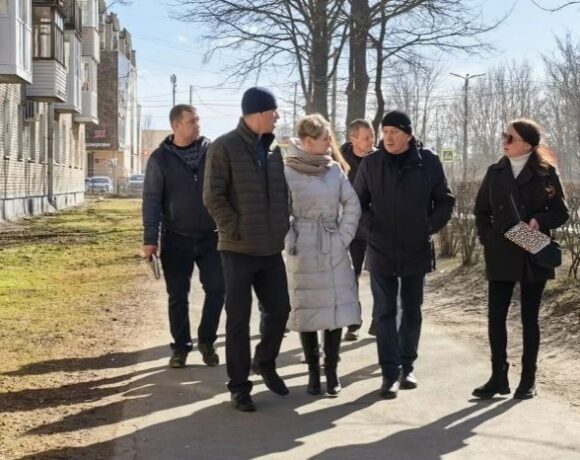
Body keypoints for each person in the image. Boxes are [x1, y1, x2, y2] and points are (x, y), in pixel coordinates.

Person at [354, 110, 455, 399]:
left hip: (415, 247)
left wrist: (427, 226)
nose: (388, 137)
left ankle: (407, 366)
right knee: (384, 312)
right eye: (385, 132)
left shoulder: (428, 161)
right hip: (381, 247)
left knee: (412, 310)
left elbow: (445, 200)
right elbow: (356, 203)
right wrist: (372, 228)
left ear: (408, 135)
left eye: (394, 132)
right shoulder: (371, 163)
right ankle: (389, 373)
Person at [203, 87, 291, 412]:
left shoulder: (274, 150)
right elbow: (213, 196)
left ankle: (264, 362)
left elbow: (282, 193)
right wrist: (234, 228)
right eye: (273, 112)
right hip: (238, 249)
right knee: (239, 320)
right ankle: (239, 387)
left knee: (280, 310)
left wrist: (283, 224)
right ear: (257, 114)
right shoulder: (223, 147)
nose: (277, 117)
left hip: (271, 249)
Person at [472, 119, 569, 400]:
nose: (504, 141)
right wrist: (488, 239)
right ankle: (498, 377)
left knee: (529, 317)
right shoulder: (495, 171)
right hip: (501, 248)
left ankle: (528, 380)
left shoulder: (546, 173)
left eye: (510, 138)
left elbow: (561, 212)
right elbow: (481, 211)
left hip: (532, 246)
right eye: (504, 136)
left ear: (527, 144)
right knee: (496, 316)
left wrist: (539, 220)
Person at [142, 104, 225, 369]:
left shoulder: (212, 153)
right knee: (178, 295)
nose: (197, 125)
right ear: (176, 125)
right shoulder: (160, 159)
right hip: (175, 237)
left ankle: (207, 341)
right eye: (192, 121)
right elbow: (151, 200)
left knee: (218, 289)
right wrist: (150, 239)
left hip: (212, 237)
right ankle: (180, 348)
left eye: (198, 120)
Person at [284, 114, 361, 396]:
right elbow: (279, 209)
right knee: (307, 309)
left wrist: (342, 237)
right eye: (325, 138)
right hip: (302, 246)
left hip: (332, 244)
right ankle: (313, 372)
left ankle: (332, 370)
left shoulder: (334, 170)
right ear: (308, 141)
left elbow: (351, 204)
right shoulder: (287, 171)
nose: (331, 142)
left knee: (334, 309)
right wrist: (290, 237)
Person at [340, 119, 376, 341]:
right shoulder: (339, 160)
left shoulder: (380, 158)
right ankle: (353, 322)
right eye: (366, 137)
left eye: (373, 136)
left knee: (380, 276)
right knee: (350, 277)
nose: (372, 141)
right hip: (351, 230)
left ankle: (379, 320)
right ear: (353, 139)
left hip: (375, 227)